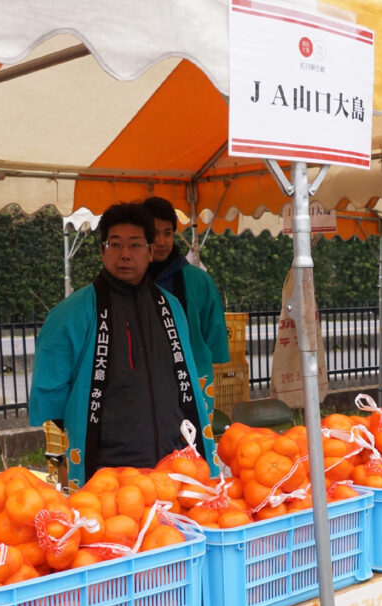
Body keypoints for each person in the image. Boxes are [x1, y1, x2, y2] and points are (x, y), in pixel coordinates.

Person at [30, 202, 209, 485]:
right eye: (115, 244)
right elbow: (49, 394)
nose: (125, 254)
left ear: (151, 252)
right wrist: (61, 457)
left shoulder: (171, 306)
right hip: (107, 471)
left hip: (172, 464)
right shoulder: (71, 313)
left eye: (135, 245)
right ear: (102, 251)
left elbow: (185, 380)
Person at [142, 196, 231, 383]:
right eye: (154, 233)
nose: (161, 241)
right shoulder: (131, 279)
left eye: (167, 233)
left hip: (193, 376)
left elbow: (215, 333)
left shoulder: (198, 280)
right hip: (144, 379)